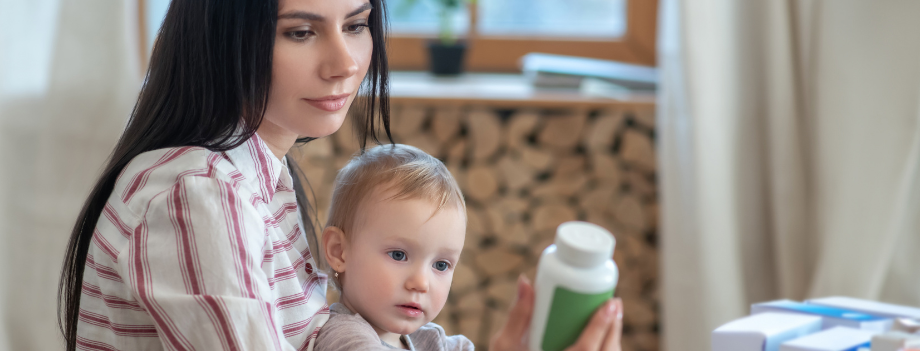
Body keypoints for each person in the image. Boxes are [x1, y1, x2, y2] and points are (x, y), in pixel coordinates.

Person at [57, 0, 624, 350]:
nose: (346, 62)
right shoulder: (199, 196)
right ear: (223, 36)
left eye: (356, 24)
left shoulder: (259, 175)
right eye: (300, 32)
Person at [314, 143, 472, 350]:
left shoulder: (431, 341)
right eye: (398, 255)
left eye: (441, 265)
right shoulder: (344, 337)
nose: (421, 283)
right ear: (339, 252)